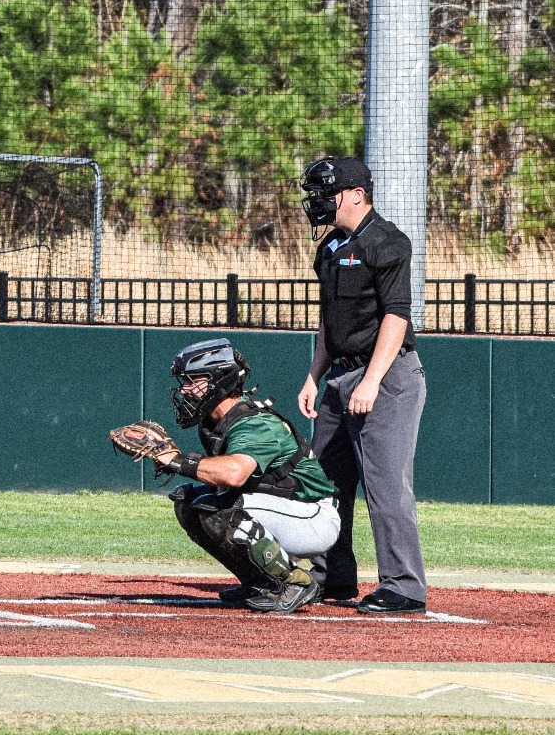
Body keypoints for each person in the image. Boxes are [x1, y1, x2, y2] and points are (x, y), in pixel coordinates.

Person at [296, 156, 428, 615]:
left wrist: (370, 381)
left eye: (325, 192)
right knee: (323, 483)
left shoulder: (388, 242)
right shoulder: (330, 247)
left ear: (355, 193)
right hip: (339, 378)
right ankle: (330, 576)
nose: (317, 202)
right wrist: (315, 375)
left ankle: (405, 587)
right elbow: (329, 322)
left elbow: (397, 316)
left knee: (386, 484)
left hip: (386, 378)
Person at [137, 338, 342, 614]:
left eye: (192, 381)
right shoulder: (216, 421)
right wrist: (183, 465)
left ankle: (296, 582)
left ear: (220, 380)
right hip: (282, 509)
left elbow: (234, 474)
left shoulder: (255, 423)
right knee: (188, 500)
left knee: (221, 509)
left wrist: (177, 461)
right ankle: (260, 582)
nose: (185, 390)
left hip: (312, 516)